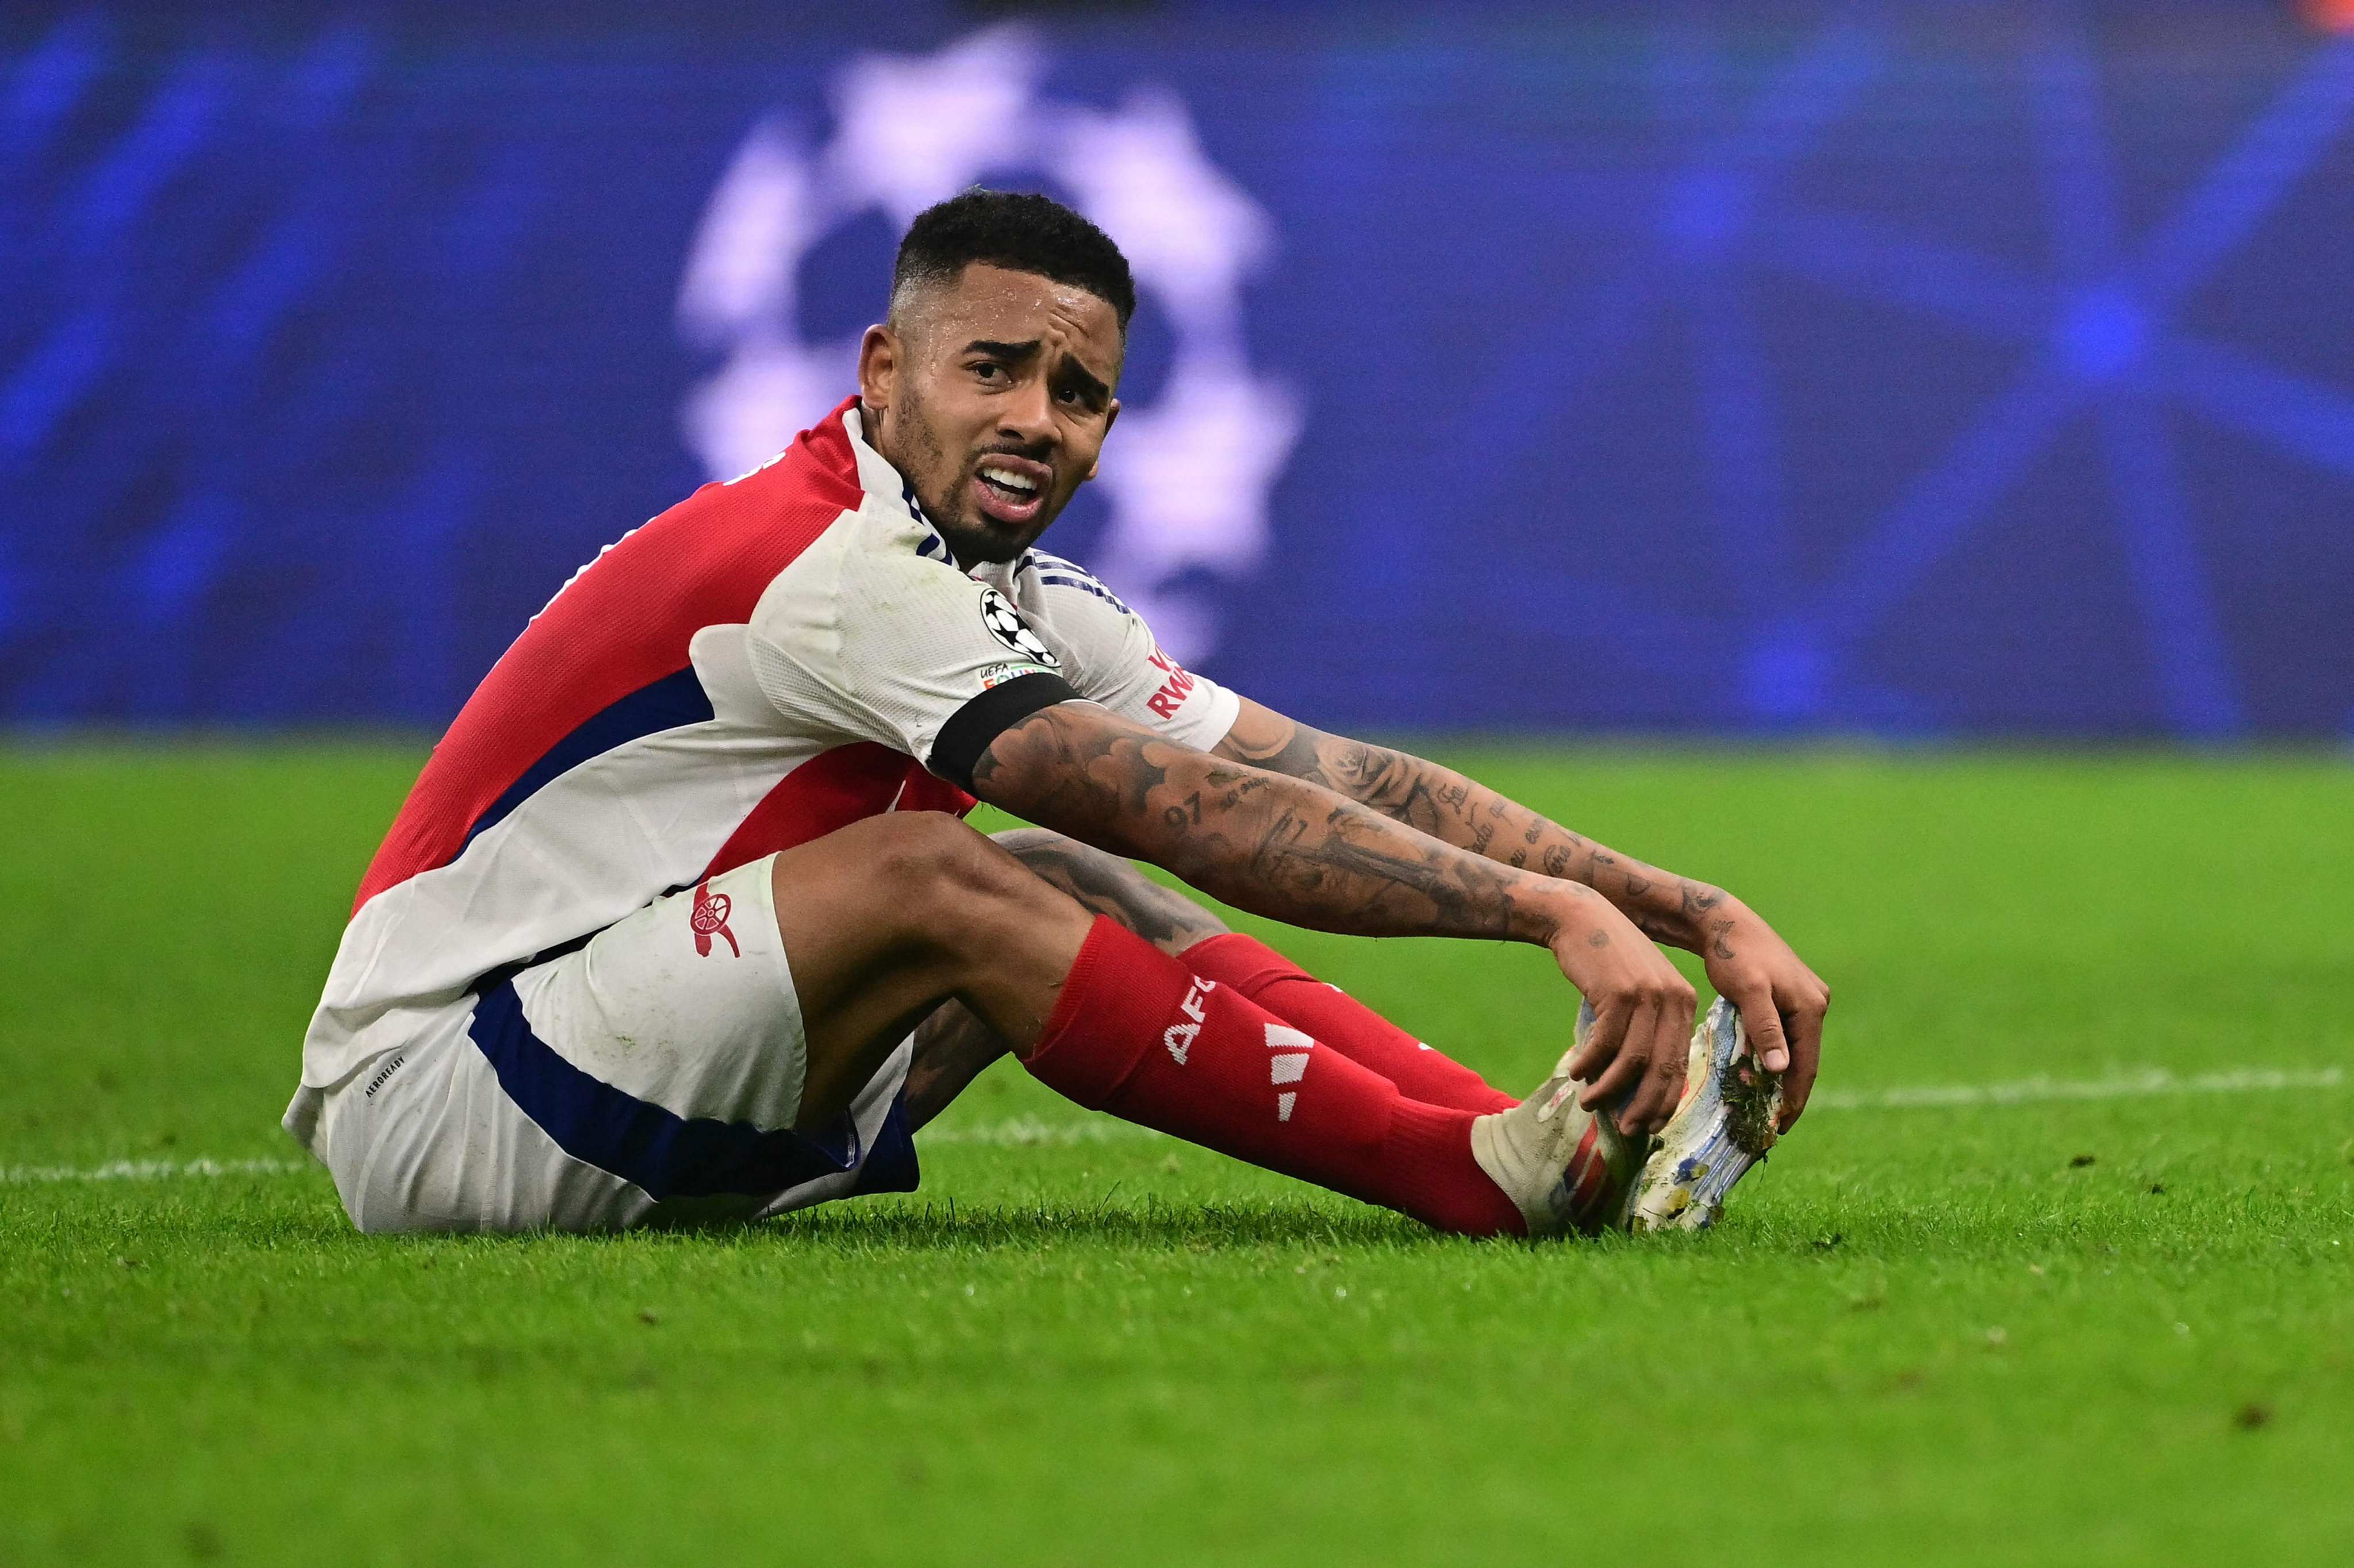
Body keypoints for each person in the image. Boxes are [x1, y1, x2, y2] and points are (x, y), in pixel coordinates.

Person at [285, 189, 1829, 1237]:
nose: (1037, 417)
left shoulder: (1017, 592)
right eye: (994, 369)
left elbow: (1324, 774)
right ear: (884, 372)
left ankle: (1532, 1140)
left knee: (1053, 883)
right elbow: (1172, 808)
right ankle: (1468, 1181)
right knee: (955, 876)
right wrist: (1550, 913)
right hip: (439, 1092)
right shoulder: (837, 563)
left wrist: (1683, 909)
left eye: (1078, 391)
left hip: (618, 1052)